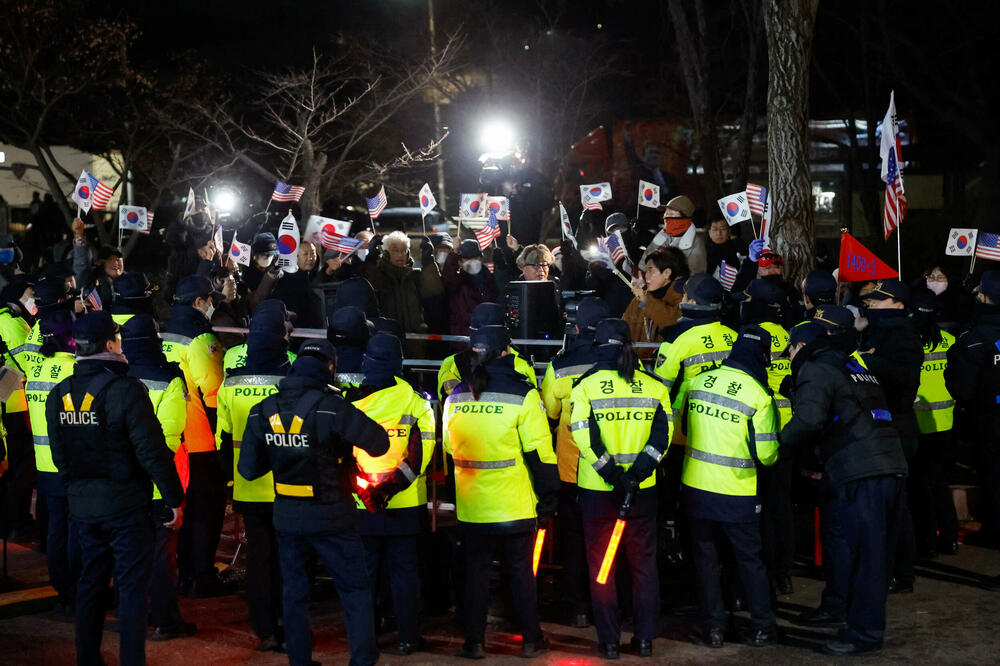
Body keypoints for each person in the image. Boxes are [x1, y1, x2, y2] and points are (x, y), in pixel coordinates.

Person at [238, 339, 390, 666]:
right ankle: (362, 659)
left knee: (294, 596)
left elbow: (248, 470)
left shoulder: (262, 410)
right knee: (353, 590)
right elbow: (378, 443)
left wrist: (284, 449)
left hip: (288, 518)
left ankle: (300, 661)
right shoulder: (331, 406)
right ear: (330, 368)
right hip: (333, 516)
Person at [47, 312, 184, 666]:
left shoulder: (59, 395)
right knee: (131, 591)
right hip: (126, 508)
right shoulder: (125, 390)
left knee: (90, 585)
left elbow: (61, 457)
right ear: (109, 344)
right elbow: (151, 452)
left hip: (83, 508)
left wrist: (79, 490)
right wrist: (173, 500)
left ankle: (88, 659)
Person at [781, 307, 907, 656]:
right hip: (888, 464)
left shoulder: (816, 368)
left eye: (789, 349)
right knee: (870, 553)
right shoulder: (853, 367)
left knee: (866, 556)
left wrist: (776, 444)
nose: (789, 357)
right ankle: (851, 619)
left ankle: (864, 634)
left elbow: (808, 421)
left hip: (862, 470)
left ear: (801, 345)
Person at [442, 325, 559, 659]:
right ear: (505, 353)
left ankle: (474, 642)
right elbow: (541, 454)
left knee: (476, 574)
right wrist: (549, 498)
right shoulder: (523, 394)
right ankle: (531, 640)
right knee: (521, 573)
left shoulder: (457, 396)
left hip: (472, 507)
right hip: (514, 505)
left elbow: (451, 449)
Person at [569, 319, 672, 659]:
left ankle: (610, 642)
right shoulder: (654, 386)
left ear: (597, 345)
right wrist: (637, 474)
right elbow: (663, 437)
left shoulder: (585, 387)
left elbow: (584, 438)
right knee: (643, 566)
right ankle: (644, 641)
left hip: (599, 491)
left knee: (603, 567)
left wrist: (613, 475)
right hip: (642, 491)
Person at [681, 325, 779, 648]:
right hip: (737, 494)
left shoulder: (696, 382)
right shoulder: (758, 395)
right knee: (750, 561)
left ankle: (714, 629)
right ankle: (763, 626)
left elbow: (681, 427)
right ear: (763, 356)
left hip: (695, 490)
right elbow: (766, 455)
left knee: (706, 561)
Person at [348, 333, 436, 656]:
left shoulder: (351, 401)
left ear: (366, 361)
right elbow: (420, 455)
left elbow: (343, 456)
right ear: (399, 363)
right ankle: (408, 638)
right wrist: (389, 489)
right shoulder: (416, 401)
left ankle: (365, 638)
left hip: (361, 504)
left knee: (364, 573)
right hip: (405, 504)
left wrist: (369, 491)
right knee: (404, 573)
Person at [216, 300, 292, 651]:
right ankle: (288, 623)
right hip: (289, 485)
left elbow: (223, 437)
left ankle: (264, 628)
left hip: (248, 485)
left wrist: (230, 485)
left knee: (258, 558)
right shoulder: (294, 374)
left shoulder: (231, 383)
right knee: (289, 556)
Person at [120, 315, 195, 641]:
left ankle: (136, 618)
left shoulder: (118, 377)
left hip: (126, 482)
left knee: (130, 555)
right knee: (163, 554)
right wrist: (171, 493)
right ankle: (165, 620)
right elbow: (168, 438)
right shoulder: (169, 380)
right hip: (160, 482)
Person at [161, 275, 229, 597]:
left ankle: (182, 571)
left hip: (171, 433)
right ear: (198, 302)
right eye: (209, 299)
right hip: (200, 438)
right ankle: (200, 575)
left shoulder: (163, 330)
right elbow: (215, 389)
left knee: (183, 507)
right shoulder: (200, 337)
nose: (211, 304)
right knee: (207, 508)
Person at [859, 278, 921, 593]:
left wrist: (870, 361)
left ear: (898, 305)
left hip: (897, 426)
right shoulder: (880, 330)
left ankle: (900, 572)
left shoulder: (902, 335)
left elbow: (906, 376)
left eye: (880, 300)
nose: (872, 304)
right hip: (884, 426)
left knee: (894, 506)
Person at [735, 279, 795, 594]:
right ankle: (782, 572)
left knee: (758, 508)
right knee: (780, 505)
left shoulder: (748, 337)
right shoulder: (793, 335)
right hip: (790, 430)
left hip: (758, 431)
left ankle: (759, 574)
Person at [24, 310, 78, 614]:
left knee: (57, 530)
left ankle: (62, 592)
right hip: (70, 464)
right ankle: (74, 590)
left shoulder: (37, 371)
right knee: (75, 531)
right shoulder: (73, 370)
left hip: (45, 465)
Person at [945, 270, 1000, 547]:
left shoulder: (973, 339)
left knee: (992, 476)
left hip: (989, 420)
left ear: (984, 298)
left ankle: (994, 531)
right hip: (988, 415)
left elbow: (963, 389)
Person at [909, 287, 959, 557]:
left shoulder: (908, 341)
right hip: (945, 422)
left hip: (918, 422)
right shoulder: (950, 341)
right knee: (939, 483)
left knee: (919, 486)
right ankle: (949, 538)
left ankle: (926, 543)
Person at [436, 302, 535, 402]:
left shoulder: (451, 363)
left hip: (464, 416)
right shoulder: (521, 363)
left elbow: (445, 401)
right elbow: (531, 400)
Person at [622, 248, 687, 346]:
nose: (646, 276)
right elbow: (623, 327)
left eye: (651, 271)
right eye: (646, 271)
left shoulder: (682, 297)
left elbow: (670, 322)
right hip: (636, 359)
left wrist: (645, 301)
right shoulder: (638, 300)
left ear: (666, 273)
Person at [441, 239, 500, 338]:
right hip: (464, 337)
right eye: (467, 259)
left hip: (488, 335)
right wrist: (454, 253)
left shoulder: (490, 279)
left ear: (481, 258)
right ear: (460, 262)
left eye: (475, 257)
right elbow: (447, 279)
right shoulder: (457, 282)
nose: (471, 262)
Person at [641, 196, 706, 274]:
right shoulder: (662, 236)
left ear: (684, 217)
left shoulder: (696, 242)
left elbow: (696, 276)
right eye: (665, 213)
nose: (665, 217)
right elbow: (643, 264)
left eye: (671, 214)